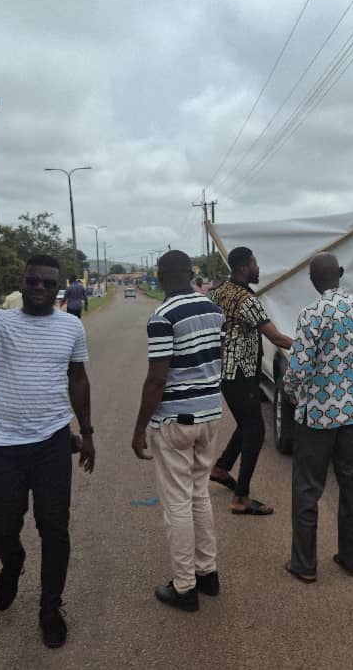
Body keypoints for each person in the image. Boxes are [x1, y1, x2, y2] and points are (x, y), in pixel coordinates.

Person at [0, 248, 95, 649]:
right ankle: (12, 563)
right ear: (23, 282)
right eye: (33, 280)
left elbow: (78, 379)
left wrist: (87, 432)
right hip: (3, 444)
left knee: (55, 529)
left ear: (58, 287)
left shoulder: (71, 327)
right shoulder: (1, 322)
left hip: (53, 443)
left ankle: (50, 608)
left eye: (48, 283)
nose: (40, 287)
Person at [131, 250, 226, 612]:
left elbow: (157, 379)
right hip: (210, 414)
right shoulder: (213, 310)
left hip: (175, 420)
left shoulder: (163, 316)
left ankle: (185, 587)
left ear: (159, 276)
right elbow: (215, 358)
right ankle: (208, 573)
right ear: (190, 273)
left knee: (177, 503)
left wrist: (140, 428)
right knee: (199, 494)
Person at [283, 253, 353, 584]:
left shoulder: (312, 313)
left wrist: (289, 390)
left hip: (318, 418)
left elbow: (299, 366)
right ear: (341, 272)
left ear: (312, 280)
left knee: (308, 488)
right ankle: (352, 559)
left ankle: (304, 564)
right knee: (352, 486)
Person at [208, 246, 293, 515]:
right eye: (255, 264)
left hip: (226, 370)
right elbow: (276, 338)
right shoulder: (246, 300)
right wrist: (309, 344)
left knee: (247, 425)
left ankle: (221, 468)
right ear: (244, 267)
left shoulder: (219, 291)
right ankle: (240, 498)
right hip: (240, 373)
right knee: (255, 432)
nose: (258, 269)